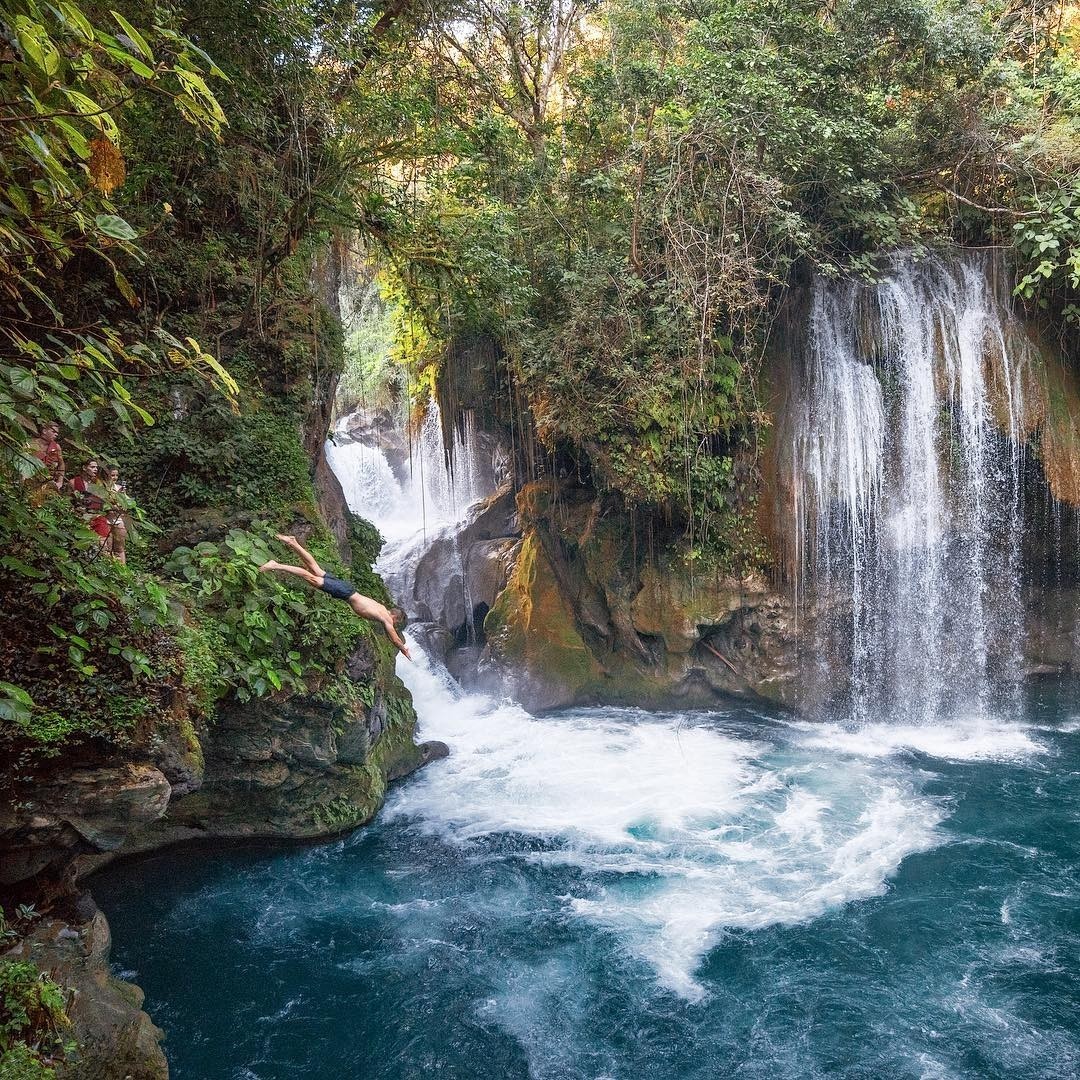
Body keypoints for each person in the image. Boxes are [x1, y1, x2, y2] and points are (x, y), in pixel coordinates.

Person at [259, 534, 411, 659]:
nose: (394, 625)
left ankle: (293, 542)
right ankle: (275, 565)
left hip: (347, 589)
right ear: (395, 618)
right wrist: (403, 648)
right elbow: (394, 639)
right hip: (345, 593)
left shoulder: (382, 608)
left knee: (315, 568)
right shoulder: (386, 617)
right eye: (396, 623)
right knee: (310, 577)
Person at [69, 459, 111, 547]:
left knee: (103, 543)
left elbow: (105, 501)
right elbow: (68, 500)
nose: (95, 469)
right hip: (79, 518)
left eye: (96, 467)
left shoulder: (99, 484)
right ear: (84, 468)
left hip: (97, 516)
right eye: (92, 467)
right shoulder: (73, 482)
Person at [28, 421, 65, 499]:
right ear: (44, 431)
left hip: (49, 481)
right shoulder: (31, 444)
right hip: (32, 479)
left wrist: (60, 482)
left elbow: (61, 464)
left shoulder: (57, 447)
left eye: (57, 433)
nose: (56, 434)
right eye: (53, 431)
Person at [105, 466, 128, 564]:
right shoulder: (102, 488)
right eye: (112, 475)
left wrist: (122, 496)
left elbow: (125, 505)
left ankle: (123, 571)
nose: (115, 478)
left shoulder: (119, 488)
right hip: (106, 519)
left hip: (118, 519)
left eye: (116, 475)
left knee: (120, 548)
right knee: (107, 548)